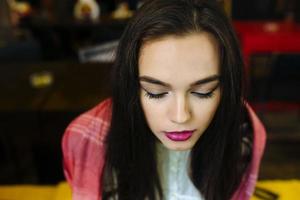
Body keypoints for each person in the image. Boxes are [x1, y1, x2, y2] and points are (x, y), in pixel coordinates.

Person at [62, 0, 266, 199]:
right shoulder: (86, 141)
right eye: (156, 93)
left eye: (203, 92)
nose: (180, 117)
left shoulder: (243, 133)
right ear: (131, 86)